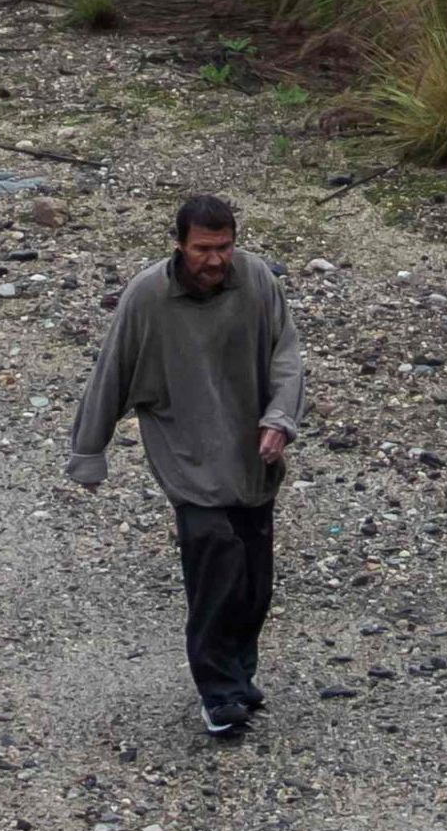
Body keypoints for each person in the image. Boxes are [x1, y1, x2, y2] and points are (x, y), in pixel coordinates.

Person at [65, 192, 306, 736]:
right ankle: (217, 693)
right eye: (203, 249)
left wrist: (279, 419)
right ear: (179, 245)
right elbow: (112, 373)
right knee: (216, 563)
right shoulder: (148, 297)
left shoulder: (259, 283)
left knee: (254, 581)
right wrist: (88, 453)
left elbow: (286, 357)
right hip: (186, 455)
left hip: (251, 454)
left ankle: (239, 677)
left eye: (224, 247)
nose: (215, 260)